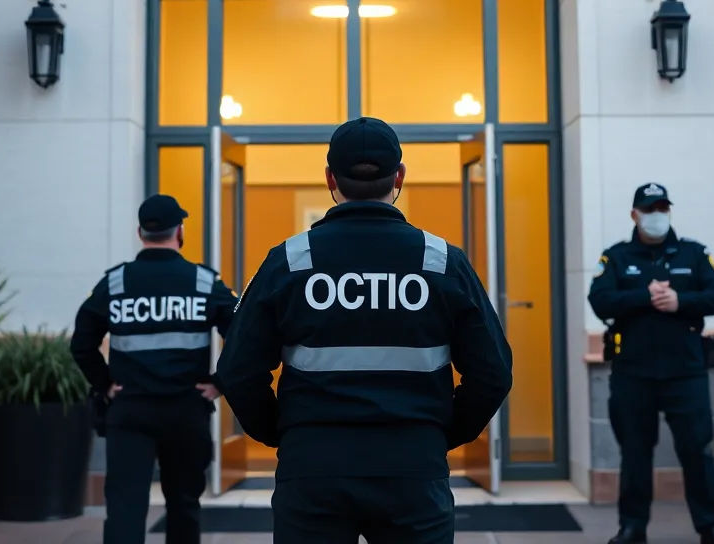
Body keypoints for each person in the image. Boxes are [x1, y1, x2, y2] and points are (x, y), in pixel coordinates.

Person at [214, 116, 513, 544]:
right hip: (413, 465)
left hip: (313, 466)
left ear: (330, 178)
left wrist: (285, 434)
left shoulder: (291, 260)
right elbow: (494, 373)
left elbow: (238, 370)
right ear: (400, 177)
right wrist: (439, 434)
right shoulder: (442, 261)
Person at [70, 194, 238, 544]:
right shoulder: (204, 283)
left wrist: (104, 384)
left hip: (130, 411)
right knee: (184, 505)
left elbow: (82, 343)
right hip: (186, 410)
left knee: (125, 507)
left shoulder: (115, 284)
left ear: (140, 232)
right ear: (180, 231)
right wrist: (219, 383)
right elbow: (245, 336)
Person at [588, 183, 714, 544]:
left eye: (662, 209)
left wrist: (680, 301)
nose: (657, 216)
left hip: (685, 372)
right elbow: (600, 300)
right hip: (633, 373)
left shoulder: (693, 253)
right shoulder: (617, 257)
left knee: (697, 451)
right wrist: (644, 297)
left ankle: (710, 527)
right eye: (650, 209)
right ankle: (632, 527)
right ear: (635, 214)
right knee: (635, 453)